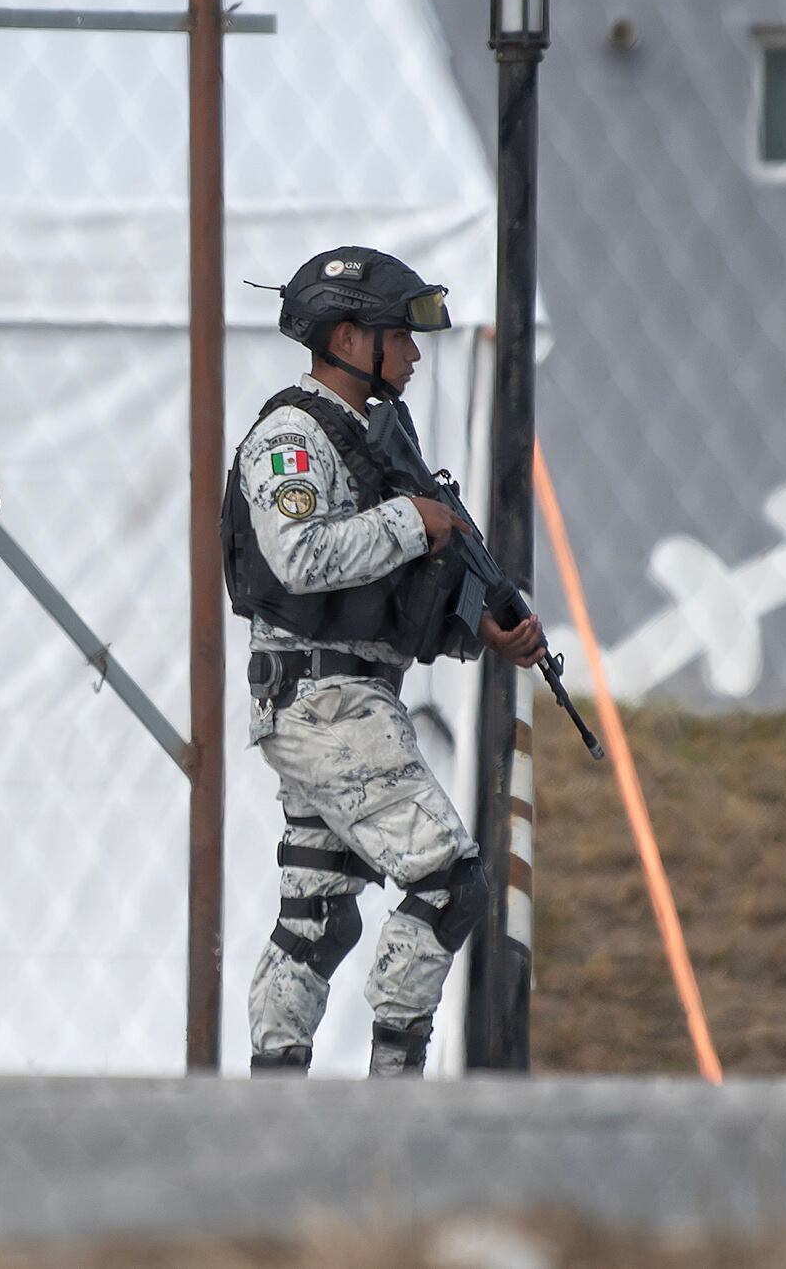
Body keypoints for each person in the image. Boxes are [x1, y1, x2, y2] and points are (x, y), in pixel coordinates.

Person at [225, 247, 545, 1078]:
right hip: (324, 702)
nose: (410, 353)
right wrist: (413, 521)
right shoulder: (293, 436)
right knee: (450, 881)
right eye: (397, 335)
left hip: (351, 694)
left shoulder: (372, 443)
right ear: (345, 335)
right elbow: (298, 557)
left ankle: (275, 1079)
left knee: (318, 916)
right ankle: (396, 1078)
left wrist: (483, 633)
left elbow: (383, 601)